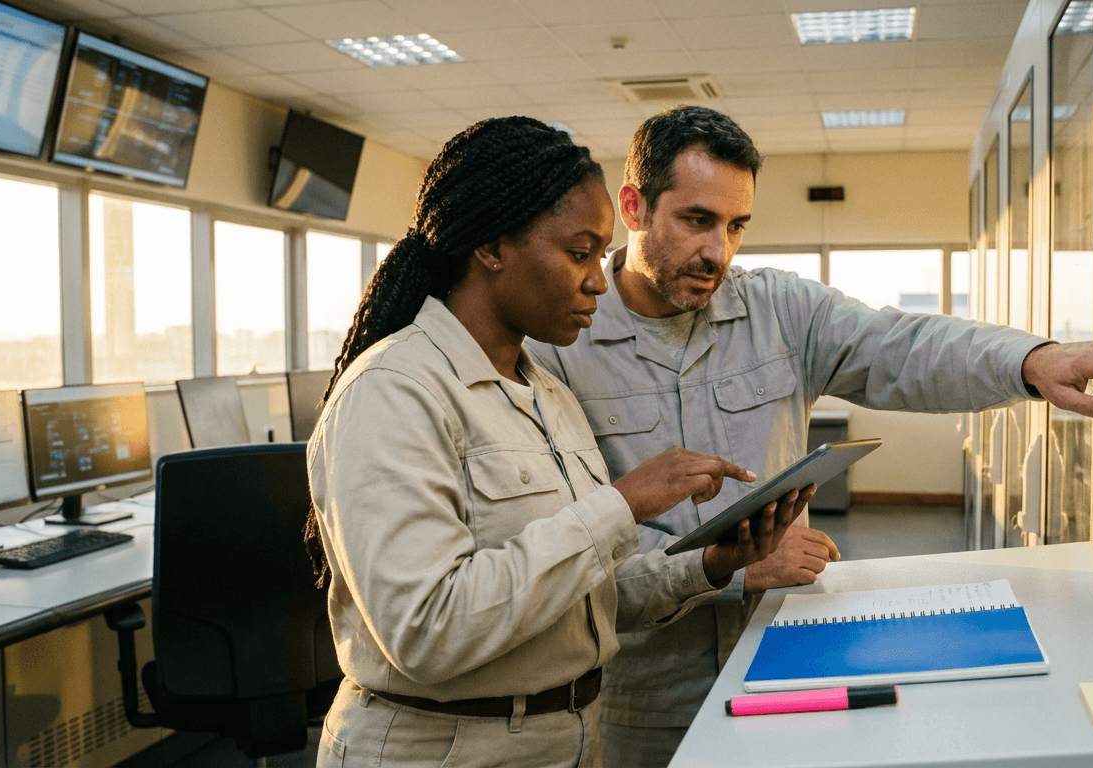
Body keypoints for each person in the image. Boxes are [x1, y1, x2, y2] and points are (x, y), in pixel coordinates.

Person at [525, 105, 1093, 767]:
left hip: (787, 654)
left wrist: (1032, 361)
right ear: (634, 207)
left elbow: (903, 347)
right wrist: (724, 573)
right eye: (697, 221)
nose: (719, 251)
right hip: (643, 697)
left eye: (737, 225)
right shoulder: (560, 343)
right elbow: (567, 558)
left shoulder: (778, 310)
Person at [304, 116, 803, 768]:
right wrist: (620, 506)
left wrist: (710, 565)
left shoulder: (547, 395)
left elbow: (585, 594)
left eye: (600, 256)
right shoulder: (394, 392)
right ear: (491, 247)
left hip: (564, 738)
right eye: (579, 254)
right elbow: (426, 631)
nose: (599, 280)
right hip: (439, 748)